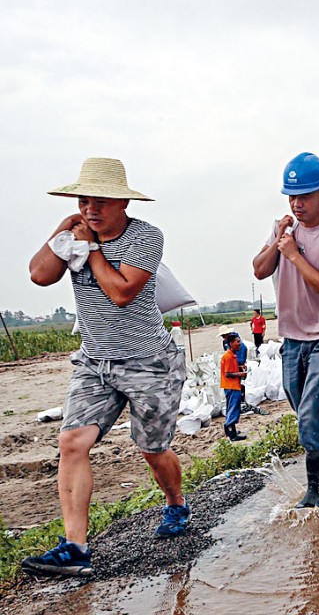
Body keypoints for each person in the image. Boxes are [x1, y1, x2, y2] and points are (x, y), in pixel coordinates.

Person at [23, 158, 189, 577]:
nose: (90, 210)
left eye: (99, 201)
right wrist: (62, 232)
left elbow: (122, 292)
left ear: (121, 203)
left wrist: (92, 249)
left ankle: (176, 503)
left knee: (152, 448)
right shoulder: (73, 228)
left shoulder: (146, 237)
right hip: (95, 362)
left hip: (149, 362)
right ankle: (75, 547)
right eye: (83, 201)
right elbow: (40, 276)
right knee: (72, 443)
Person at [252, 152, 319, 508]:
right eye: (291, 197)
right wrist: (278, 240)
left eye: (305, 196)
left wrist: (296, 255)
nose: (297, 204)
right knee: (305, 412)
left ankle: (316, 489)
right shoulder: (284, 229)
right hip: (292, 337)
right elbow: (259, 269)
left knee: (311, 409)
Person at [221, 333, 248, 441]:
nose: (239, 344)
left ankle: (230, 430)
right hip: (231, 386)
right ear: (231, 343)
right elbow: (228, 373)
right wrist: (240, 374)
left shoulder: (232, 355)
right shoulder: (228, 356)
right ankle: (232, 433)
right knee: (234, 408)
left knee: (231, 408)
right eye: (237, 341)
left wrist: (240, 367)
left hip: (231, 385)